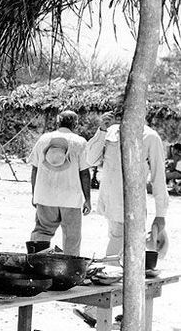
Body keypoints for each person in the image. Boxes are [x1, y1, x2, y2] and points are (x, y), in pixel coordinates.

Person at [85, 111, 168, 257]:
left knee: (119, 252)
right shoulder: (110, 132)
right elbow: (91, 160)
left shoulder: (150, 137)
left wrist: (161, 214)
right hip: (110, 203)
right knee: (120, 246)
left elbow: (159, 178)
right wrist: (102, 130)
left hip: (131, 205)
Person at [27, 110, 91, 256]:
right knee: (71, 237)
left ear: (57, 122)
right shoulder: (80, 142)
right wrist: (87, 199)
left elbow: (35, 169)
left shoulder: (44, 139)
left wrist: (34, 194)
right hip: (71, 197)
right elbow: (85, 173)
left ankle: (36, 263)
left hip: (45, 195)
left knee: (42, 231)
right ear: (75, 124)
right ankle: (70, 269)